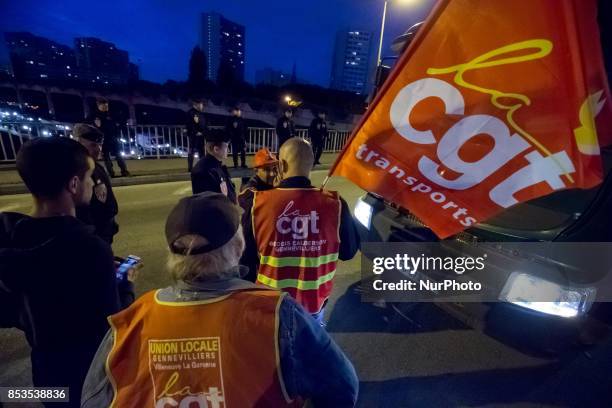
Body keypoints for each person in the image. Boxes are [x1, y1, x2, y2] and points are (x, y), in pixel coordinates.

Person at [81, 192, 359, 407]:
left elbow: (92, 399)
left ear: (173, 253)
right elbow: (343, 387)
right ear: (238, 248)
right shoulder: (278, 314)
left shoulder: (132, 321)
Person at [0, 138, 134, 408]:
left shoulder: (13, 238)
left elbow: (10, 310)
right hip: (89, 372)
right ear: (73, 185)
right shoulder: (89, 248)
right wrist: (125, 284)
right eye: (88, 177)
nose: (91, 184)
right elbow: (113, 322)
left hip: (45, 368)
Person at [244, 137, 360, 324]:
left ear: (281, 165)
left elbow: (244, 260)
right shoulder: (337, 205)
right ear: (312, 165)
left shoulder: (256, 204)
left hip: (270, 307)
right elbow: (348, 252)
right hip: (313, 307)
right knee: (308, 353)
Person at [73, 123, 120, 245]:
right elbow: (81, 210)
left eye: (100, 144)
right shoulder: (76, 171)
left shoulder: (97, 167)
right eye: (93, 145)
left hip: (105, 231)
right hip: (94, 235)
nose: (98, 149)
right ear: (78, 143)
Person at [238, 148, 279, 282]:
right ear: (256, 171)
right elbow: (246, 197)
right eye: (266, 169)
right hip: (250, 246)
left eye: (274, 168)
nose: (272, 173)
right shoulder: (250, 187)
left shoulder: (273, 185)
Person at [87, 97, 130, 178]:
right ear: (99, 105)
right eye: (103, 105)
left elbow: (119, 123)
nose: (105, 107)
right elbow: (92, 125)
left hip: (113, 138)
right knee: (106, 157)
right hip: (103, 139)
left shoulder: (111, 114)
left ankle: (124, 171)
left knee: (119, 155)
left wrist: (118, 131)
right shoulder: (95, 115)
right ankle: (111, 173)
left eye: (106, 105)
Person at [191, 129, 236, 203]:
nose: (228, 150)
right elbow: (208, 203)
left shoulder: (216, 165)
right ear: (216, 149)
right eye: (226, 147)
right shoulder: (204, 171)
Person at [185, 98, 208, 172]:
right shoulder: (190, 113)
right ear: (197, 104)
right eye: (201, 105)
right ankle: (190, 168)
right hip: (193, 136)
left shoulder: (201, 113)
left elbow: (204, 124)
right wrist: (195, 132)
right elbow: (189, 125)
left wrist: (204, 132)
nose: (202, 106)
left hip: (201, 136)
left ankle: (202, 166)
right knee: (192, 151)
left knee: (202, 152)